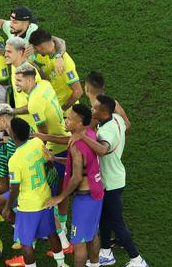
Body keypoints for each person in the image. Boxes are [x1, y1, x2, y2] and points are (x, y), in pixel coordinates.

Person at [73, 95, 148, 267]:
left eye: (94, 108)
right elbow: (127, 126)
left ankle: (137, 259)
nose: (92, 110)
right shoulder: (116, 119)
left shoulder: (107, 131)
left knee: (116, 222)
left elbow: (102, 149)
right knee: (104, 219)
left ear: (104, 111)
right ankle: (106, 252)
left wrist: (82, 136)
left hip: (111, 183)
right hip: (113, 177)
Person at [45, 104, 104, 267]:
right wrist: (56, 159)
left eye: (70, 119)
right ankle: (95, 264)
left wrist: (60, 197)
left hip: (84, 198)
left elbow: (77, 177)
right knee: (92, 235)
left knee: (78, 243)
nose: (66, 120)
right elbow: (83, 166)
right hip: (96, 193)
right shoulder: (90, 134)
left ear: (79, 124)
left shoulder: (76, 146)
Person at [4, 118, 66, 267]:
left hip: (28, 206)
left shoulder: (14, 160)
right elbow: (49, 162)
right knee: (51, 232)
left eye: (9, 128)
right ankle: (62, 264)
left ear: (13, 135)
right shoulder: (38, 142)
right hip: (45, 198)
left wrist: (7, 207)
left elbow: (14, 189)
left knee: (25, 242)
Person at [30, 28, 83, 113]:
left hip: (67, 114)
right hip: (52, 108)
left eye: (35, 48)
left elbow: (78, 92)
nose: (35, 50)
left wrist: (62, 110)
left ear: (40, 47)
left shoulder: (65, 63)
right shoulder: (43, 56)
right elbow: (46, 79)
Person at [4, 36, 42, 128]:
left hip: (33, 128)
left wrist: (11, 111)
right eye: (5, 51)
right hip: (21, 124)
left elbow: (35, 105)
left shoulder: (29, 73)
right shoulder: (14, 66)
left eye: (9, 52)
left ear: (20, 52)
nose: (5, 54)